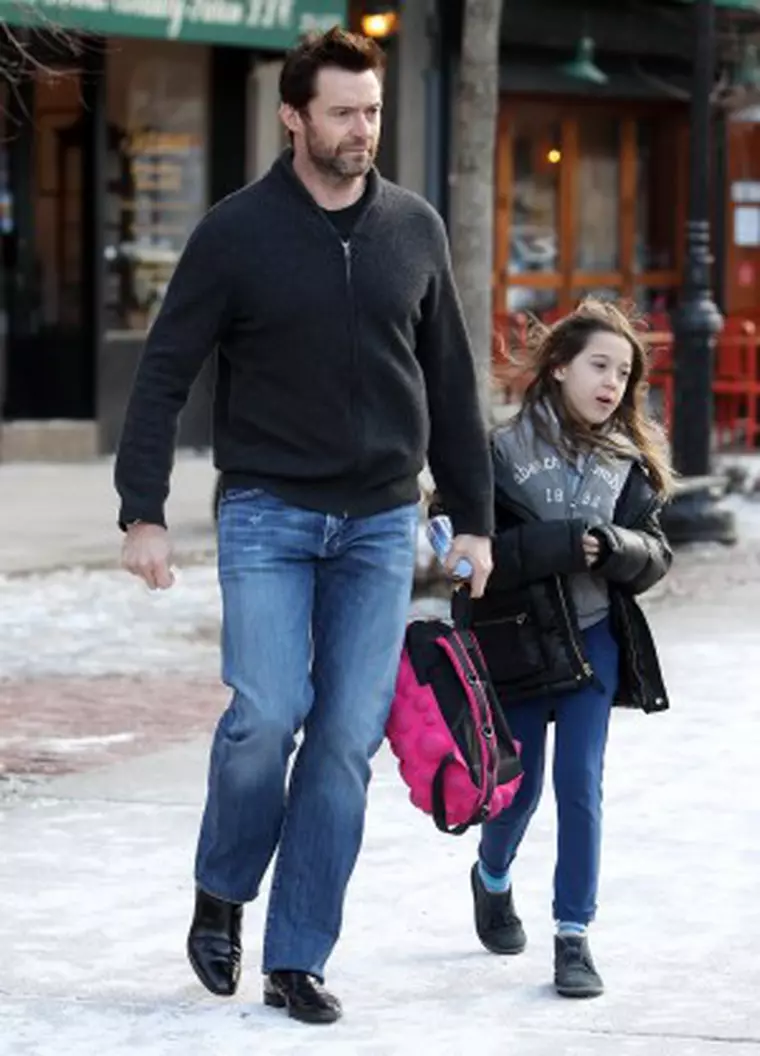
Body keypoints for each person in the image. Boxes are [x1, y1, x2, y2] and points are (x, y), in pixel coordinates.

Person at [114, 27, 494, 1025]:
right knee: (266, 713)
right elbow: (163, 373)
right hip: (268, 513)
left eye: (372, 111)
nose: (362, 129)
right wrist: (143, 509)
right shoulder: (235, 233)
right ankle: (222, 890)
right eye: (342, 112)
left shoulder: (413, 228)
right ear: (293, 117)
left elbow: (451, 382)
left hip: (380, 524)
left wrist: (473, 516)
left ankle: (297, 956)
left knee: (344, 741)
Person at [459, 299, 673, 999]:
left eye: (624, 373)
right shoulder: (498, 453)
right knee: (517, 791)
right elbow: (462, 558)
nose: (612, 382)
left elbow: (657, 554)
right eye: (599, 365)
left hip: (595, 639)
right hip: (519, 643)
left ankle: (573, 936)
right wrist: (555, 545)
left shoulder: (628, 462)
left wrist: (617, 546)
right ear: (558, 368)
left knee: (580, 784)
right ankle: (492, 877)